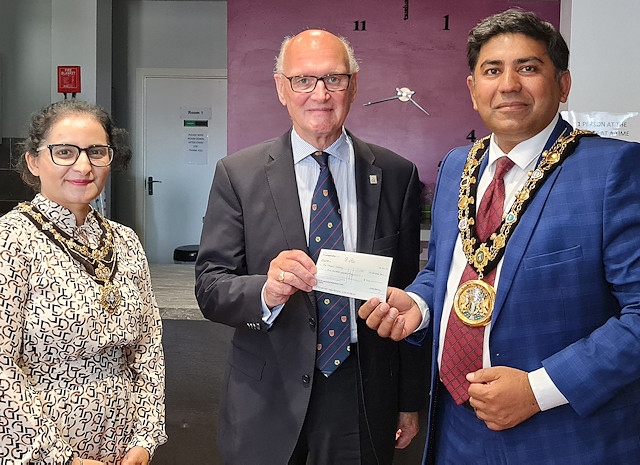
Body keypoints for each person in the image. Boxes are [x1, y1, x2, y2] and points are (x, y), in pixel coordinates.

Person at [359, 8, 640, 464]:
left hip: (562, 435)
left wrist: (538, 390)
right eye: (492, 70)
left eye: (528, 68)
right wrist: (422, 304)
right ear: (474, 90)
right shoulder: (457, 167)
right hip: (454, 426)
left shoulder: (614, 170)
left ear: (563, 84)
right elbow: (449, 270)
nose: (509, 84)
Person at [195, 29, 429, 464]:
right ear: (281, 88)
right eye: (303, 80)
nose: (319, 94)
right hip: (268, 392)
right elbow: (210, 288)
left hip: (362, 392)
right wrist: (265, 290)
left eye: (334, 79)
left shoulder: (397, 175)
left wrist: (409, 399)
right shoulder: (238, 174)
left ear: (353, 85)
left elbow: (412, 295)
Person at [0, 99, 167, 465]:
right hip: (38, 452)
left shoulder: (125, 241)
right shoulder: (11, 242)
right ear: (33, 161)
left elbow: (148, 347)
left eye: (96, 152)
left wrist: (145, 438)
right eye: (64, 152)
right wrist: (61, 459)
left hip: (125, 450)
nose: (82, 165)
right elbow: (2, 367)